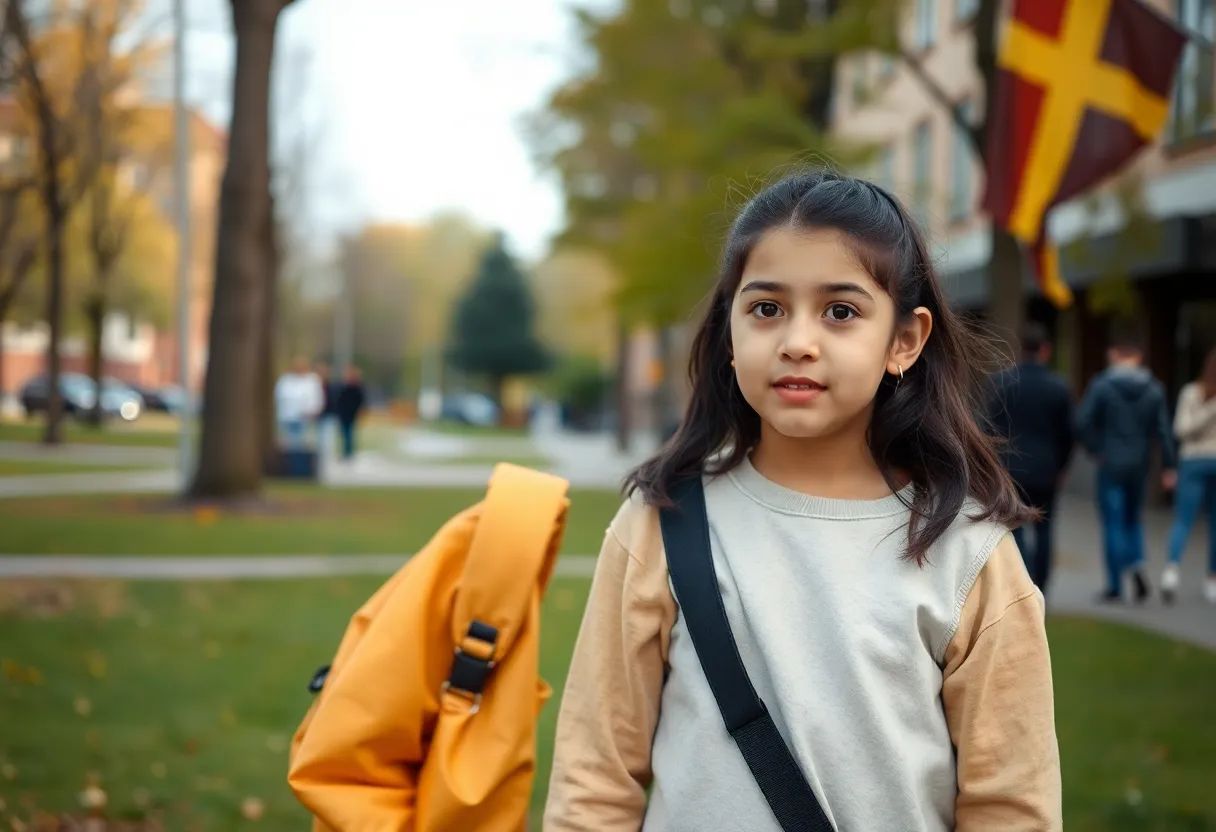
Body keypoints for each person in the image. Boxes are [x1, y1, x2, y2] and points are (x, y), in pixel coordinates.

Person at [545, 171, 1061, 831]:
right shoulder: (661, 523)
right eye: (766, 308)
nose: (796, 341)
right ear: (730, 331)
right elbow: (594, 780)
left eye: (840, 311)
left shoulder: (967, 549)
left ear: (904, 341)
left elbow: (1012, 808)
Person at [1076, 332, 1177, 603]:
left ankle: (1115, 584)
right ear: (1139, 356)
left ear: (1115, 354)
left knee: (1113, 522)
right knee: (1133, 519)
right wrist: (1169, 466)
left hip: (1111, 462)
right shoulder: (1154, 388)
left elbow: (1082, 422)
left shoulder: (1102, 385)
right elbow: (1163, 430)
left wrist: (1097, 450)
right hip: (1140, 463)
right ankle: (1137, 562)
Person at [987, 323, 1074, 594]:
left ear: (1021, 350)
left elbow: (989, 427)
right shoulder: (1059, 387)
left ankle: (1024, 584)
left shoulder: (1002, 383)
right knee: (1046, 529)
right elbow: (1068, 433)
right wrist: (1062, 466)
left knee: (1017, 529)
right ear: (1045, 350)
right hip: (1046, 468)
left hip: (1011, 467)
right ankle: (1043, 586)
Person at [1162, 345, 1216, 604]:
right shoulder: (1191, 393)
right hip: (1194, 460)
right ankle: (1172, 570)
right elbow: (1182, 429)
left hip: (1205, 461)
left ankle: (1211, 578)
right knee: (1184, 518)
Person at [275, 357, 325, 450]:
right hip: (288, 417)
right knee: (290, 443)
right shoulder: (286, 380)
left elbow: (317, 398)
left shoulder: (312, 380)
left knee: (303, 444)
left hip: (306, 417)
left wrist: (314, 410)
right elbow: (279, 397)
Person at [334, 365, 367, 460]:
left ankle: (348, 453)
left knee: (349, 434)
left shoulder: (357, 388)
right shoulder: (343, 386)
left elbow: (360, 401)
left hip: (352, 414)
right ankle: (346, 452)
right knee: (344, 434)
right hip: (343, 414)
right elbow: (339, 400)